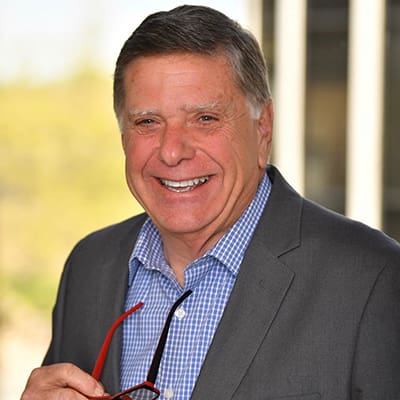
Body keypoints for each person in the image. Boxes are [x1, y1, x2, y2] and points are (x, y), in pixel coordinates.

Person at [21, 5, 400, 400]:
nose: (172, 152)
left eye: (204, 119)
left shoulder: (373, 279)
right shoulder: (88, 267)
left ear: (263, 127)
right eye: (147, 122)